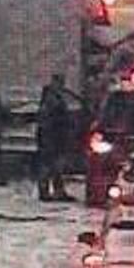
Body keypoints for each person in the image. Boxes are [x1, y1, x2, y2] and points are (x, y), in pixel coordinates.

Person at [34, 73, 82, 201]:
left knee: (56, 166)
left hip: (56, 136)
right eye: (60, 82)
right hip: (50, 137)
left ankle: (57, 191)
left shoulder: (56, 97)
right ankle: (45, 191)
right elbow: (49, 119)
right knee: (49, 165)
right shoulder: (51, 98)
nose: (61, 84)